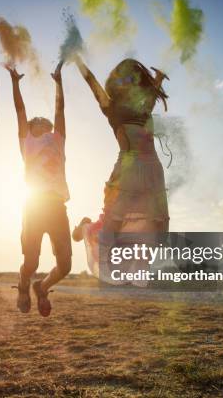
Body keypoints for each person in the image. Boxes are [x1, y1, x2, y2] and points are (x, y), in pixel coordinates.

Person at [71, 57, 170, 281]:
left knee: (160, 232)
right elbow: (91, 82)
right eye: (124, 79)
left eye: (133, 79)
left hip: (153, 169)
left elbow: (152, 95)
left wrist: (158, 79)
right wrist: (77, 59)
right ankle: (87, 228)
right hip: (127, 169)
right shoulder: (111, 108)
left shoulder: (143, 107)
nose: (129, 83)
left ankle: (135, 267)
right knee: (112, 226)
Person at [6, 62, 71, 317]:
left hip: (57, 207)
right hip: (33, 208)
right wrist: (15, 84)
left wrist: (59, 82)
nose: (44, 123)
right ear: (30, 130)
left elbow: (60, 110)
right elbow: (20, 110)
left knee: (65, 265)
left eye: (47, 122)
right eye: (38, 122)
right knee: (31, 262)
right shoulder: (27, 142)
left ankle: (41, 287)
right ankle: (24, 284)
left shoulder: (58, 140)